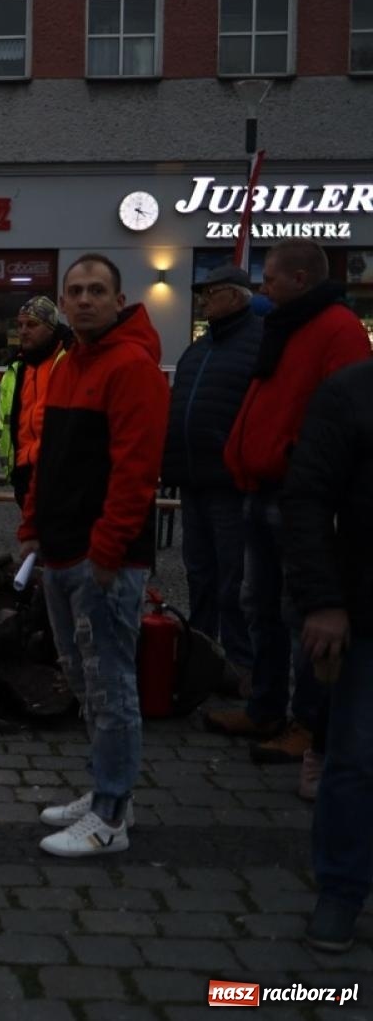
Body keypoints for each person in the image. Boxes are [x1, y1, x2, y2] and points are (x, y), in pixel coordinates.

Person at [18, 253, 169, 858]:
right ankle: (108, 788)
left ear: (118, 298)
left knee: (111, 687)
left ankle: (111, 815)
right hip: (60, 552)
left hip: (102, 558)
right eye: (75, 290)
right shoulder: (67, 365)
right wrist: (32, 525)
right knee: (85, 680)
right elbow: (50, 460)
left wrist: (106, 549)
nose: (84, 300)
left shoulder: (132, 366)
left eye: (96, 291)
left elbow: (136, 472)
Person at [210, 239, 371, 781]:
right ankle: (266, 706)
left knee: (300, 611)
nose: (263, 289)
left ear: (299, 279)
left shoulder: (336, 330)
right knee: (258, 603)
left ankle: (308, 723)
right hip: (260, 487)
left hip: (295, 493)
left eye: (270, 280)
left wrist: (299, 466)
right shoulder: (285, 326)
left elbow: (346, 420)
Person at [281, 360, 373, 953]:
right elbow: (307, 500)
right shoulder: (350, 392)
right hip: (366, 611)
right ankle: (340, 893)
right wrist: (323, 602)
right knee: (356, 759)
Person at [161, 265, 262, 676]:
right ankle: (202, 650)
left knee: (234, 575)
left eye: (210, 293)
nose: (203, 301)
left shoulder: (259, 344)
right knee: (199, 570)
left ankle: (240, 661)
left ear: (236, 297)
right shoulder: (198, 350)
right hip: (193, 477)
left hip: (231, 481)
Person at [0, 296, 71, 507]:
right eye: (19, 325)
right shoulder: (17, 367)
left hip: (57, 468)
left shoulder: (68, 361)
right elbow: (7, 421)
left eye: (32, 324)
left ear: (50, 327)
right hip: (23, 469)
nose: (23, 331)